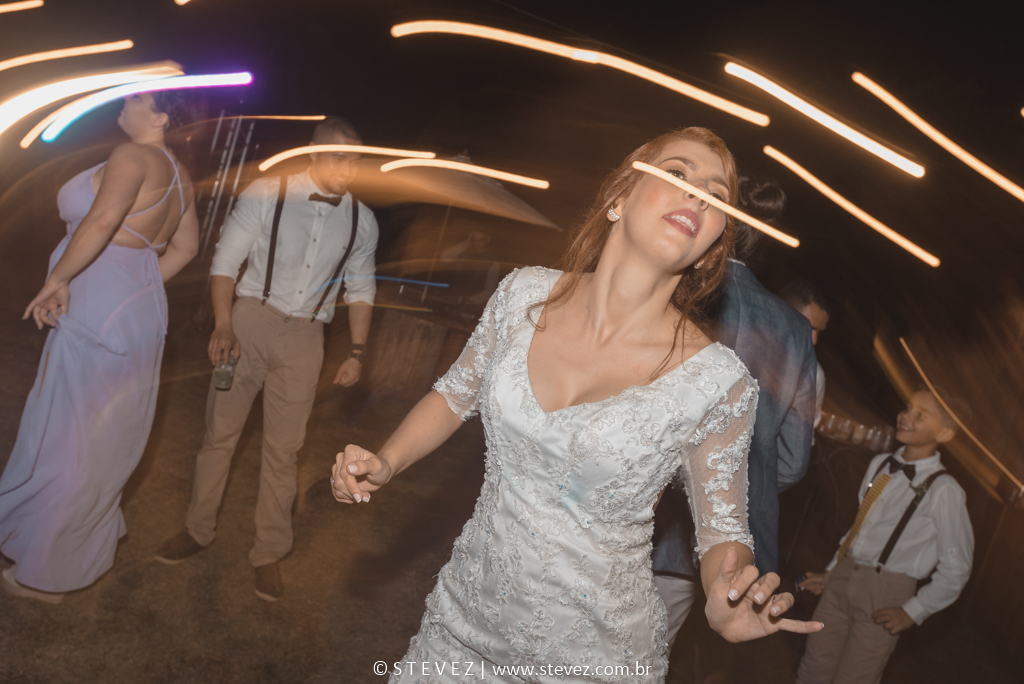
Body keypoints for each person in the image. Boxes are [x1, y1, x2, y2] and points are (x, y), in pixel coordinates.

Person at [331, 128, 822, 682]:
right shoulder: (521, 295)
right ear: (619, 199)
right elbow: (452, 395)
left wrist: (725, 592)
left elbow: (723, 530)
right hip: (459, 630)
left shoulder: (717, 382)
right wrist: (387, 461)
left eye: (717, 196)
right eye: (678, 174)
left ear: (711, 250)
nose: (698, 196)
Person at [154, 117, 379, 602]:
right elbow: (224, 262)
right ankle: (197, 530)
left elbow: (361, 287)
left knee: (285, 450)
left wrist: (357, 351)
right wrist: (223, 323)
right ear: (314, 152)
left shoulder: (362, 220)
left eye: (356, 160)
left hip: (307, 338)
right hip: (249, 323)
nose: (349, 168)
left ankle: (270, 552)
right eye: (340, 157)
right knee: (219, 436)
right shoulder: (267, 193)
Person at [0, 91, 199, 603]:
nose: (125, 102)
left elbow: (103, 219)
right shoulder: (179, 174)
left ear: (160, 117)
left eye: (138, 99)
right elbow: (187, 247)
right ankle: (60, 553)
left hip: (97, 304)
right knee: (100, 441)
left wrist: (60, 279)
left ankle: (46, 571)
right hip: (136, 310)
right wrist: (136, 287)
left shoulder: (134, 155)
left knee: (68, 437)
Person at [652, 178, 817, 649]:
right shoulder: (795, 328)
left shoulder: (674, 291)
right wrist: (735, 487)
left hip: (654, 521)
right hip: (738, 552)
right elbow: (793, 461)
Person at [796, 387, 974, 684]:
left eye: (921, 415)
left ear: (944, 434)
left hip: (886, 593)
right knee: (813, 667)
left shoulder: (945, 490)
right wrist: (831, 571)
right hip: (844, 577)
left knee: (855, 677)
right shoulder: (879, 464)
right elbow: (860, 528)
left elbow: (957, 567)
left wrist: (913, 611)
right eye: (908, 407)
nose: (905, 416)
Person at [780, 279, 830, 428]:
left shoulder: (813, 376)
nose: (814, 340)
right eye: (808, 327)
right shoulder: (744, 345)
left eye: (818, 332)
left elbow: (803, 434)